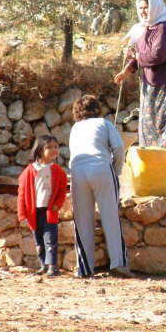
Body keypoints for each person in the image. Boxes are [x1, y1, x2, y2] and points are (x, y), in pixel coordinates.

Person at [68, 95, 132, 278]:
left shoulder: (75, 128)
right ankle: (118, 263)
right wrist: (116, 170)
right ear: (97, 108)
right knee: (110, 217)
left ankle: (84, 268)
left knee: (82, 220)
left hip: (78, 171)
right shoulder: (104, 124)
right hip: (101, 168)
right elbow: (119, 147)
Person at [113, 0, 166, 150]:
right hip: (149, 85)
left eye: (146, 8)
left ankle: (165, 169)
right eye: (140, 8)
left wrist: (135, 54)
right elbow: (139, 54)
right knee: (147, 127)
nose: (143, 11)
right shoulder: (143, 29)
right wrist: (127, 70)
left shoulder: (164, 29)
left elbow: (155, 57)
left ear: (155, 8)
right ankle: (151, 168)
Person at [17, 135, 68, 276]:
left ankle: (53, 266)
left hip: (49, 211)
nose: (54, 150)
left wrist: (57, 204)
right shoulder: (29, 171)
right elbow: (22, 193)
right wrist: (22, 214)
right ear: (39, 150)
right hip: (34, 211)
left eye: (56, 147)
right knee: (39, 239)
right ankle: (43, 265)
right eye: (49, 147)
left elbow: (62, 191)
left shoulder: (58, 171)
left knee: (50, 239)